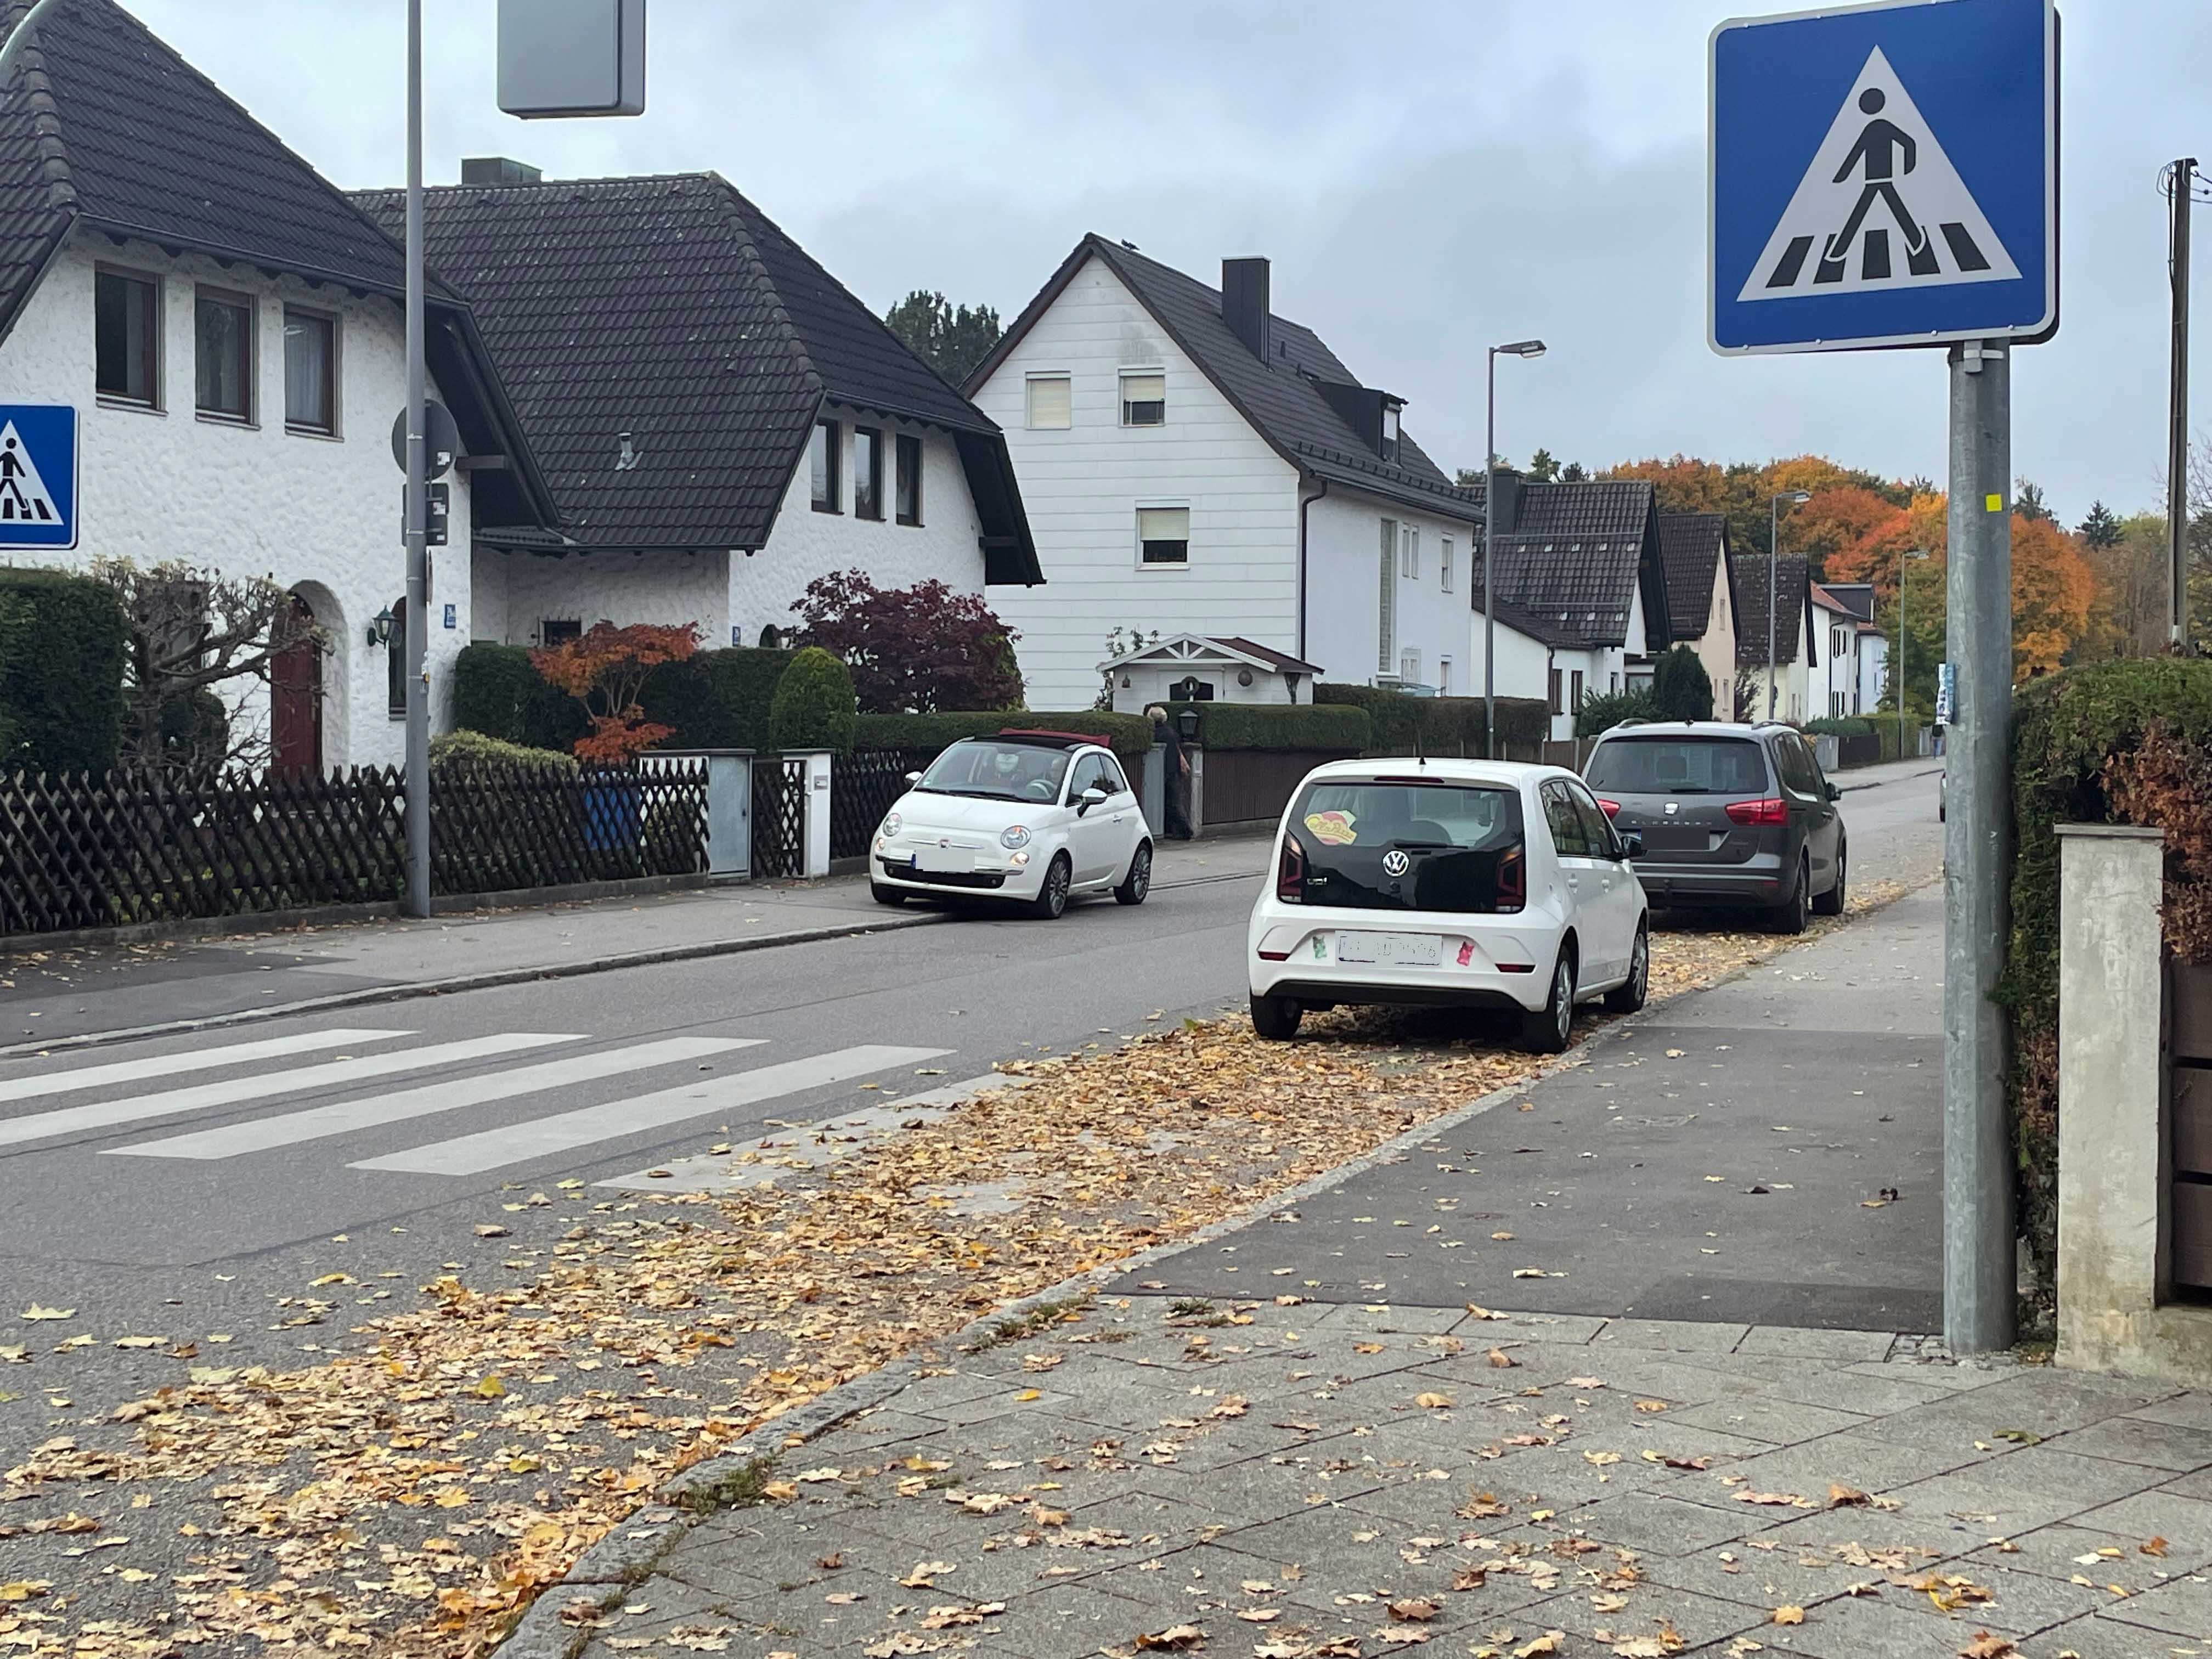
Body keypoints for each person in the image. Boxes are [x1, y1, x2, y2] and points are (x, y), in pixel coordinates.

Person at [1147, 703, 1193, 839]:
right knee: (1174, 803)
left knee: (1172, 804)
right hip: (1174, 772)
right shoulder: (1170, 732)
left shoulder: (1155, 733)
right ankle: (1176, 831)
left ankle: (1186, 831)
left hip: (1165, 772)